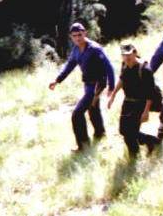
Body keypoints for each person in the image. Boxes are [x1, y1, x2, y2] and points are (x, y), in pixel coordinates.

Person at [49, 23, 116, 152]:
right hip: (87, 83)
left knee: (77, 114)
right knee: (93, 109)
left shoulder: (95, 48)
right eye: (74, 36)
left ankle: (83, 145)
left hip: (97, 84)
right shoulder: (76, 50)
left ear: (85, 33)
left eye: (80, 35)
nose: (78, 38)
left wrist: (111, 87)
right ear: (71, 37)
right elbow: (69, 66)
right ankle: (100, 133)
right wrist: (57, 80)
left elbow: (109, 67)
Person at [107, 44, 159, 157]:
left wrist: (146, 111)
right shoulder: (124, 65)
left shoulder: (145, 69)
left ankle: (134, 154)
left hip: (140, 103)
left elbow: (150, 93)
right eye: (124, 55)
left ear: (135, 53)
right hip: (128, 101)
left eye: (129, 54)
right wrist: (113, 95)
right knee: (123, 130)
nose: (126, 57)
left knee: (131, 132)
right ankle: (149, 140)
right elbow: (122, 79)